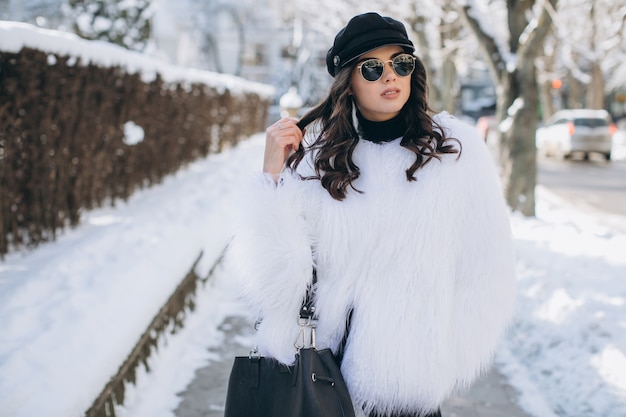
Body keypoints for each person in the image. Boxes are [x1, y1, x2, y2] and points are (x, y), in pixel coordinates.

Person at [225, 11, 516, 417]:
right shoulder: (316, 159)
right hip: (320, 379)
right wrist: (271, 177)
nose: (390, 76)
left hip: (407, 389)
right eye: (373, 67)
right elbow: (275, 284)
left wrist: (441, 360)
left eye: (401, 63)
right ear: (348, 80)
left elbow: (487, 266)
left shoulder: (454, 153)